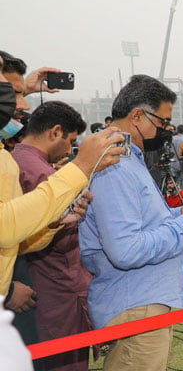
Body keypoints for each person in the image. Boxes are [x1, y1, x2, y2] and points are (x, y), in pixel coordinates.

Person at [79, 75, 183, 371]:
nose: (166, 129)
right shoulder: (114, 164)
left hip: (142, 302)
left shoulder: (129, 157)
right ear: (138, 116)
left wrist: (178, 216)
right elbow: (126, 250)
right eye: (162, 122)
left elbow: (141, 223)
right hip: (136, 305)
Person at [1, 50, 124, 297]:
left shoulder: (8, 156)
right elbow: (5, 228)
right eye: (12, 93)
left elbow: (16, 238)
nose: (23, 105)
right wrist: (81, 166)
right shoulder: (33, 167)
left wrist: (52, 223)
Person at [11, 101, 92, 371]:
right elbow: (59, 235)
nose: (70, 150)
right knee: (64, 361)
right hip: (55, 288)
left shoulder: (17, 158)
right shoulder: (41, 173)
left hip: (40, 283)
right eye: (70, 141)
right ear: (55, 132)